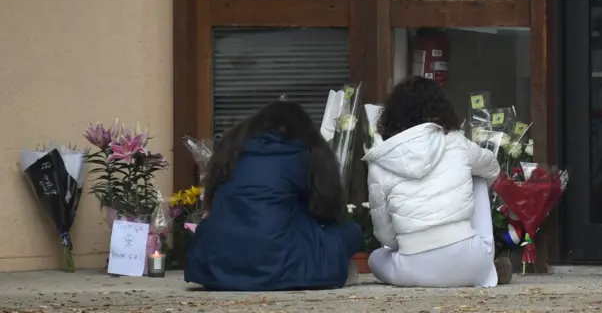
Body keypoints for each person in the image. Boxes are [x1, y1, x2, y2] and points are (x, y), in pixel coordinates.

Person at [184, 100, 363, 291]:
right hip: (279, 264)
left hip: (217, 265)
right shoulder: (304, 152)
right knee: (351, 233)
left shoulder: (230, 151)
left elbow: (213, 205)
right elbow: (327, 208)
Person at [363, 76, 508, 288]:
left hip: (413, 269)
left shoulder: (380, 162)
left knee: (374, 259)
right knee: (478, 175)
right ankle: (488, 260)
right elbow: (492, 168)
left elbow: (385, 235)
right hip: (472, 263)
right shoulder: (457, 142)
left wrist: (412, 243)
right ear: (440, 110)